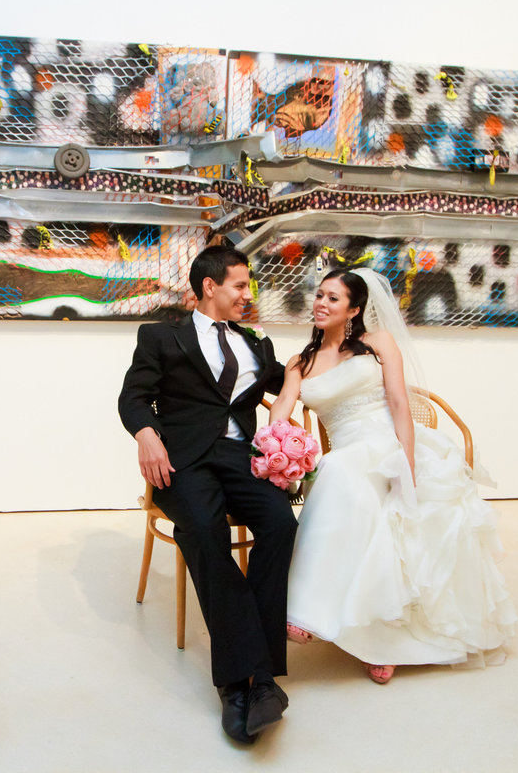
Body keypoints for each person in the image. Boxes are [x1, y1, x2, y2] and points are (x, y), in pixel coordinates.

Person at [267, 267, 517, 684]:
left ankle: (327, 620)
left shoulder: (377, 343)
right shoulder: (300, 361)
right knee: (343, 479)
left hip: (389, 445)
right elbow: (283, 407)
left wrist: (408, 463)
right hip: (348, 454)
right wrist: (276, 445)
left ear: (355, 309)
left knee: (337, 472)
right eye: (319, 295)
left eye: (333, 298)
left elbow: (400, 404)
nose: (321, 303)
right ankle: (359, 632)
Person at [118, 245, 297, 744]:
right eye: (240, 285)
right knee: (202, 529)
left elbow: (298, 376)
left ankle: (251, 676)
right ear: (209, 287)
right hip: (184, 460)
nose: (248, 294)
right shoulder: (160, 336)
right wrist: (147, 434)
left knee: (281, 525)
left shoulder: (255, 345)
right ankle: (247, 683)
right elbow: (133, 395)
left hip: (243, 458)